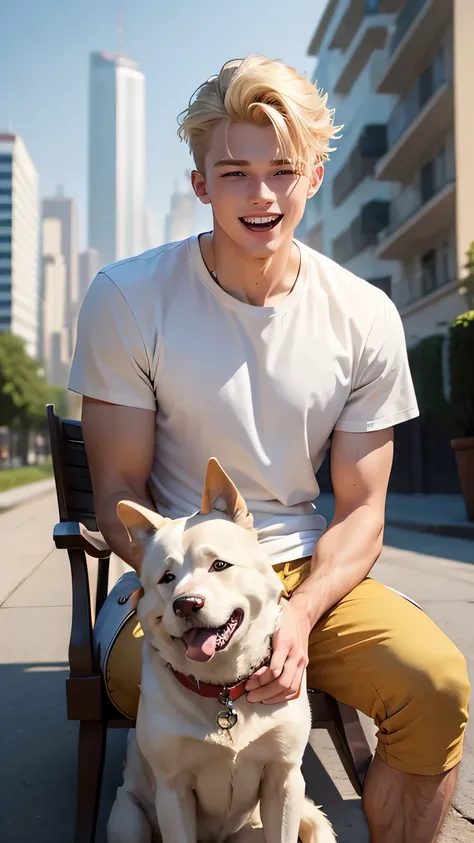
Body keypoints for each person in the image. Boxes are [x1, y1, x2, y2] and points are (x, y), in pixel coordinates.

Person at [69, 55, 470, 843]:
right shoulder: (128, 297)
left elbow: (361, 512)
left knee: (439, 684)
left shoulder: (364, 315)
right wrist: (197, 613)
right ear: (200, 185)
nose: (260, 196)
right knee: (180, 677)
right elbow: (119, 488)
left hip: (308, 574)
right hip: (173, 578)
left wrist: (297, 613)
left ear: (315, 174)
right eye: (235, 172)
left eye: (282, 171)